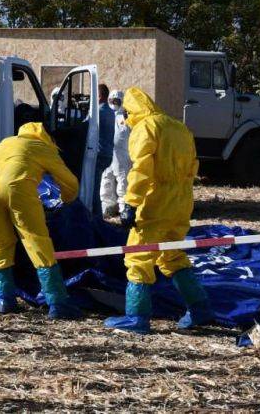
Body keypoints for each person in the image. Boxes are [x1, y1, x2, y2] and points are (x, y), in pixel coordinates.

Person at [104, 87, 214, 335]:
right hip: (182, 200)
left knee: (138, 256)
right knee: (172, 255)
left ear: (131, 110)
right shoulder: (178, 127)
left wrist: (131, 203)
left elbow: (142, 169)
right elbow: (193, 165)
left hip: (156, 200)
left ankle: (137, 318)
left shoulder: (146, 127)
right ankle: (200, 308)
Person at [0, 121, 83, 319]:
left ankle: (4, 300)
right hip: (16, 186)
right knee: (36, 240)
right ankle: (58, 303)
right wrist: (67, 200)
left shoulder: (5, 143)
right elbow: (70, 181)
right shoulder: (42, 147)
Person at [100, 90, 131, 218]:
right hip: (108, 152)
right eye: (112, 100)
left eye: (117, 100)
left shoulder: (126, 118)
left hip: (122, 155)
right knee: (106, 180)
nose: (114, 103)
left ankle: (124, 209)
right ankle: (108, 207)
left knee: (122, 182)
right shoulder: (106, 115)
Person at [92, 84, 115, 220]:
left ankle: (97, 218)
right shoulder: (110, 112)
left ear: (99, 96)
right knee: (98, 185)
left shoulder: (98, 112)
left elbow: (84, 125)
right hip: (108, 154)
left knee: (94, 189)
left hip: (99, 155)